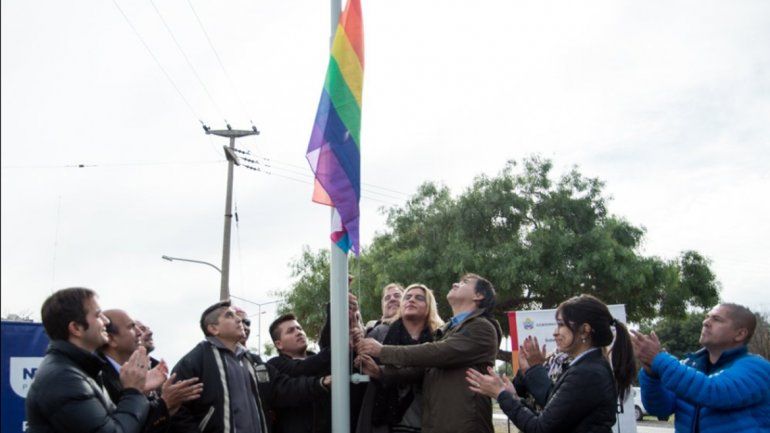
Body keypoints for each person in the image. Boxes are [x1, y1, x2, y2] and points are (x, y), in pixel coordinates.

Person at [466, 294, 636, 433]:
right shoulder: (585, 367)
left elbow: (540, 428)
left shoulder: (587, 373)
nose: (555, 333)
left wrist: (501, 395)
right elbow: (550, 416)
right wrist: (513, 397)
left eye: (561, 325)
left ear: (584, 330)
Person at [357, 274, 502, 433]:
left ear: (478, 295)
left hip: (463, 426)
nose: (455, 284)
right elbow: (422, 370)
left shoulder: (481, 327)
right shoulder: (449, 329)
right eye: (408, 297)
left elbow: (436, 353)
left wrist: (383, 351)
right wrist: (379, 372)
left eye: (464, 282)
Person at [169, 300, 330, 433]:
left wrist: (321, 383)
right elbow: (177, 410)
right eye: (229, 315)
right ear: (213, 328)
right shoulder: (195, 361)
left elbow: (283, 387)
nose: (239, 320)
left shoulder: (254, 362)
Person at [25, 287, 150, 433]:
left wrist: (157, 398)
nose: (106, 321)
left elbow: (115, 420)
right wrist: (133, 391)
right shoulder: (65, 378)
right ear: (76, 328)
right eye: (98, 315)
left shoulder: (80, 370)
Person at [632, 303, 770, 433]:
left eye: (716, 319)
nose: (705, 322)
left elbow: (714, 391)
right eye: (707, 317)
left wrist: (659, 360)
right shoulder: (689, 366)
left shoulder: (757, 368)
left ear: (740, 334)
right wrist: (651, 374)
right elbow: (660, 409)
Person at [354, 283, 444, 433]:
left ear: (429, 306)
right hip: (387, 420)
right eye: (407, 297)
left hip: (427, 416)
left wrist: (380, 370)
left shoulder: (440, 337)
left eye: (419, 298)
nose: (411, 300)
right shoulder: (380, 332)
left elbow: (422, 368)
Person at [99, 309, 203, 432]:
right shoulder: (98, 378)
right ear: (111, 339)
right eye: (131, 327)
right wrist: (165, 404)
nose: (139, 332)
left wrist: (159, 400)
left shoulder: (144, 373)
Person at [268, 313, 332, 433]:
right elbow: (302, 368)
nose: (298, 332)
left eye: (299, 328)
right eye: (290, 331)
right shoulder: (275, 365)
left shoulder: (319, 360)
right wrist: (337, 347)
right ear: (279, 344)